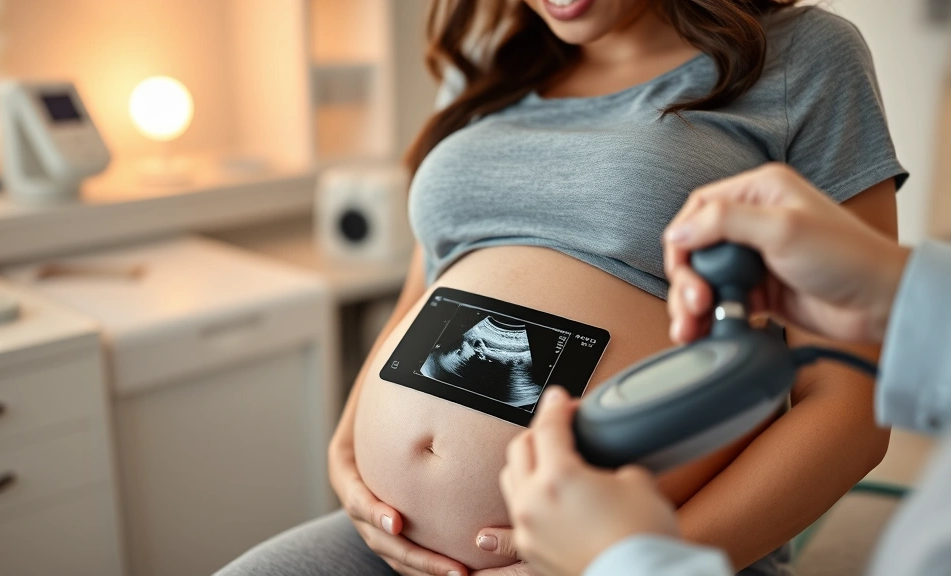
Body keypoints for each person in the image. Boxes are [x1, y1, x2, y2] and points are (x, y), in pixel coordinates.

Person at [216, 1, 907, 574]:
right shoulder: (488, 69)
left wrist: (625, 558)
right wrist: (346, 458)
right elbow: (423, 295)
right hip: (395, 546)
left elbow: (851, 399)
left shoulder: (802, 56)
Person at [497, 163, 951, 576]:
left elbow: (848, 411)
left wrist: (622, 558)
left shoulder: (806, 78)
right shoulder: (479, 77)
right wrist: (893, 288)